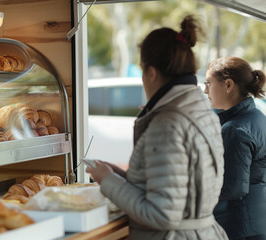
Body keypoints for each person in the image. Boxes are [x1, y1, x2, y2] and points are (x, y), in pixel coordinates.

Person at [86, 15, 228, 240]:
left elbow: (162, 214)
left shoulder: (167, 123)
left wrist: (108, 181)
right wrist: (122, 176)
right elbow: (180, 187)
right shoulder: (200, 110)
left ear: (151, 72)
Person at [205, 57, 266, 240]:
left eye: (209, 83)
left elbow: (233, 188)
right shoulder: (257, 116)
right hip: (256, 223)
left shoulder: (234, 129)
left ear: (228, 85)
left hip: (239, 228)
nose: (206, 90)